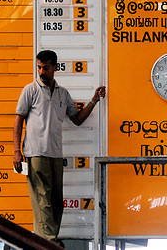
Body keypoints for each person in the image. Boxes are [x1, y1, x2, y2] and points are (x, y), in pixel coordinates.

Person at [13, 49, 106, 245]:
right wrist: (16, 152)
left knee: (56, 202)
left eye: (45, 68)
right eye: (39, 67)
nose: (41, 71)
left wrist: (94, 100)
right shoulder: (30, 90)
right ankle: (48, 240)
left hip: (55, 154)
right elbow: (18, 120)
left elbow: (77, 119)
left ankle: (47, 240)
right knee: (43, 199)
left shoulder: (63, 94)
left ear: (55, 67)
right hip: (35, 153)